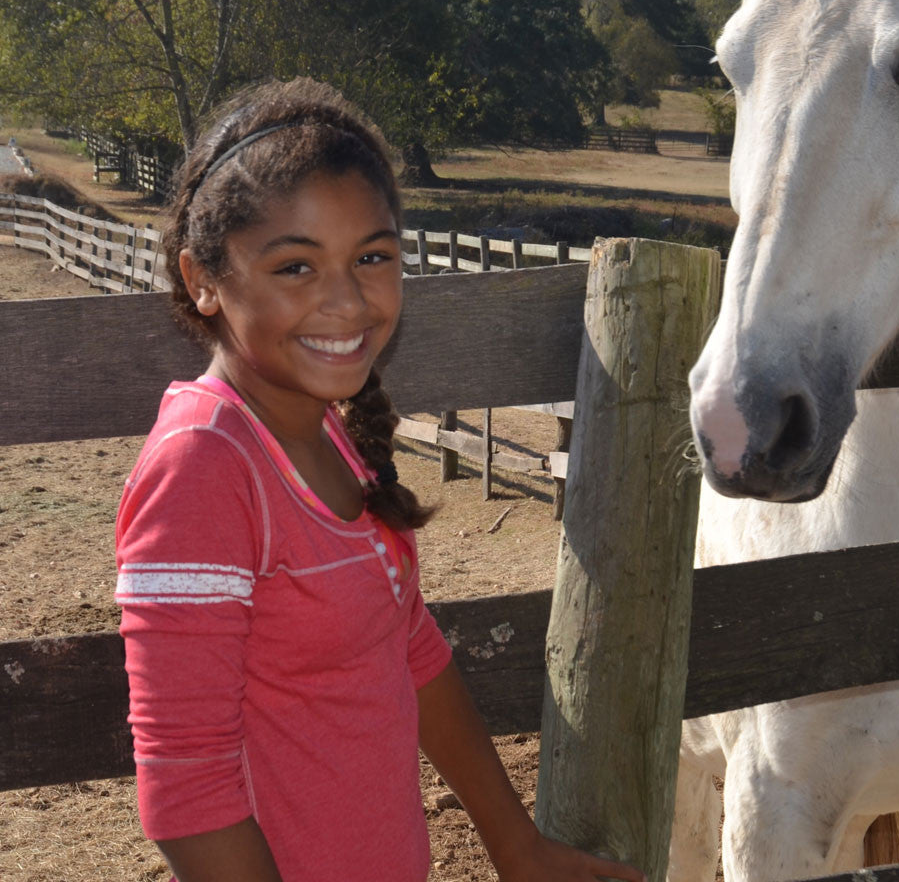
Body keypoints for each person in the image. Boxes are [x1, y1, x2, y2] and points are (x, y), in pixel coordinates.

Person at [115, 79, 644, 882]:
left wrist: (516, 844)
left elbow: (410, 650)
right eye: (295, 265)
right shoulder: (206, 466)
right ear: (204, 280)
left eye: (373, 257)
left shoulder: (328, 431)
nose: (347, 299)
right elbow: (185, 787)